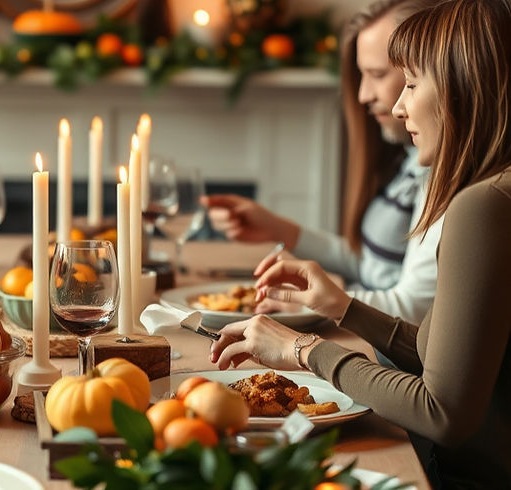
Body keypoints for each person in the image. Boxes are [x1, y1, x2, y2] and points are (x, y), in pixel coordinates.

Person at [210, 0, 511, 485]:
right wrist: (345, 310)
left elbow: (443, 413)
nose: (395, 104)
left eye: (411, 83)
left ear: (463, 86)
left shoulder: (484, 206)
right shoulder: (491, 193)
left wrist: (304, 350)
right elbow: (450, 362)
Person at [202, 0, 442, 325]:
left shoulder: (440, 176)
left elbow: (415, 311)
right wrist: (281, 229)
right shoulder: (412, 160)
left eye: (377, 74)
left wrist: (313, 302)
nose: (362, 96)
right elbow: (372, 268)